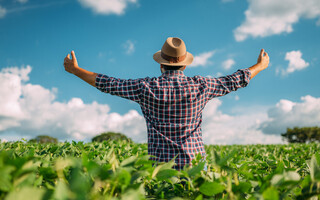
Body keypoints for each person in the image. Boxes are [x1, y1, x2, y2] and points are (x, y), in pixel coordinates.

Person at [64, 37, 269, 170]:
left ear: (161, 63)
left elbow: (108, 84)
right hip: (195, 165)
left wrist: (76, 70)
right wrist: (260, 65)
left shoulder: (145, 87)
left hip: (161, 168)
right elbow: (234, 80)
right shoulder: (201, 86)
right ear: (184, 64)